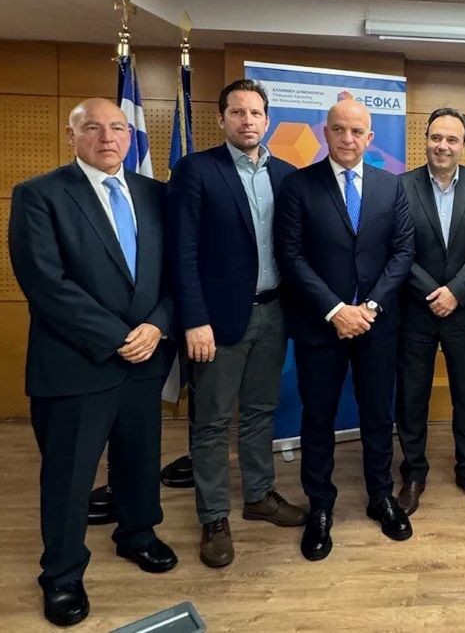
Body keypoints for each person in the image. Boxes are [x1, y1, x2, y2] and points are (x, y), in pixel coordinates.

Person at [8, 98, 178, 627]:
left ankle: (138, 533)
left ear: (130, 136)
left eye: (118, 128)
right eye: (94, 128)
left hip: (146, 355)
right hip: (77, 362)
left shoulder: (156, 194)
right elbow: (45, 282)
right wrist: (117, 336)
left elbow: (177, 272)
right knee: (70, 475)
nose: (108, 138)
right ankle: (61, 574)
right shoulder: (39, 195)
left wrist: (158, 325)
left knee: (140, 457)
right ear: (72, 134)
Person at [167, 79, 305, 569]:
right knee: (211, 421)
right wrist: (194, 320)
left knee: (261, 411)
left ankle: (260, 495)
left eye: (256, 113)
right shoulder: (196, 170)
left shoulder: (287, 175)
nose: (248, 120)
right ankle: (213, 518)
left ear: (268, 120)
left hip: (274, 313)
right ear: (221, 118)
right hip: (217, 320)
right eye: (237, 112)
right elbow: (181, 252)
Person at [275, 99, 415, 559]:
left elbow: (402, 253)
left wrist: (369, 307)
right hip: (321, 326)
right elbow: (291, 255)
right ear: (326, 133)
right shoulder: (298, 186)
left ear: (370, 138)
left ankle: (381, 496)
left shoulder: (391, 186)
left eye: (357, 131)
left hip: (377, 324)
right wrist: (336, 310)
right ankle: (320, 506)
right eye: (339, 130)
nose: (348, 139)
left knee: (378, 414)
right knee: (318, 418)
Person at [395, 107, 465, 515]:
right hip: (415, 310)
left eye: (452, 139)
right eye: (436, 137)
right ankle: (414, 472)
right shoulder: (401, 186)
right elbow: (398, 248)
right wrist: (432, 292)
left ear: (463, 145)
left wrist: (455, 292)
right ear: (425, 139)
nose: (443, 146)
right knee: (411, 397)